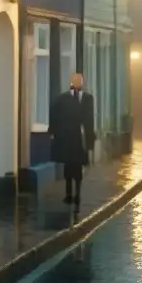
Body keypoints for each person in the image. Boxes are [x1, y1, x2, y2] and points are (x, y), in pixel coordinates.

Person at [48, 72, 96, 205]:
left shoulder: (87, 98)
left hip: (80, 138)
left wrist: (90, 138)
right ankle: (68, 193)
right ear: (71, 82)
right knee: (68, 166)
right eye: (75, 80)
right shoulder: (62, 99)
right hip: (67, 138)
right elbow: (55, 116)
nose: (77, 83)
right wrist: (53, 132)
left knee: (78, 166)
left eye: (80, 80)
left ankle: (78, 193)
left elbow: (90, 120)